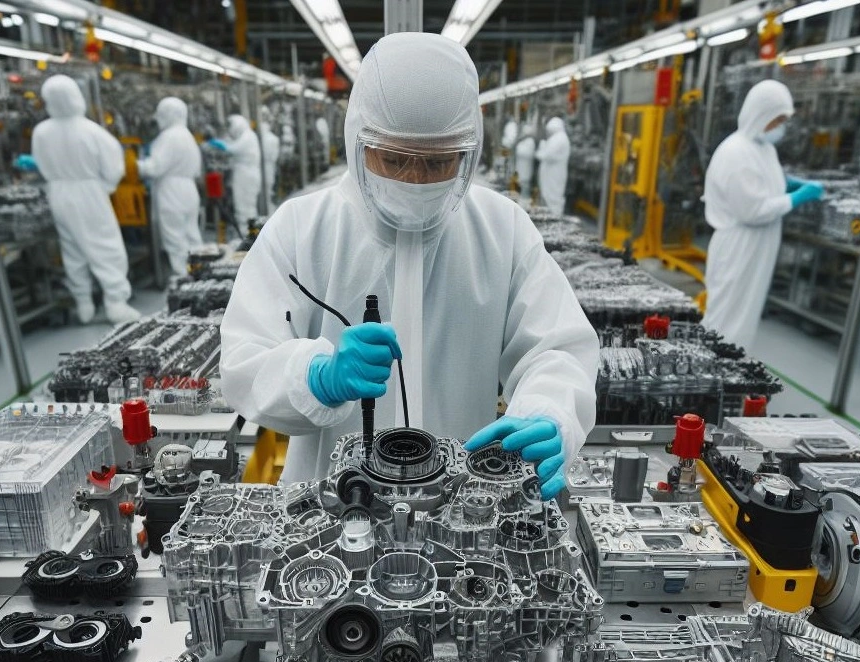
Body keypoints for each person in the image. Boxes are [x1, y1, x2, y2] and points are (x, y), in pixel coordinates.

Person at [219, 33, 598, 499]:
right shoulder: (301, 229)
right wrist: (315, 376)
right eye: (395, 159)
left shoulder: (503, 230)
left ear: (469, 152)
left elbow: (557, 348)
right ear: (358, 139)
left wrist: (548, 411)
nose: (415, 179)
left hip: (464, 507)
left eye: (438, 162)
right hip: (331, 506)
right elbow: (243, 360)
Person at [702, 80, 824, 351]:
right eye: (777, 120)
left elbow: (767, 184)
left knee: (745, 314)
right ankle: (714, 372)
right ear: (761, 115)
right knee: (727, 314)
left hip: (758, 245)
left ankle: (732, 371)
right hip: (739, 246)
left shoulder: (764, 148)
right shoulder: (736, 151)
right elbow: (752, 211)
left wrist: (787, 183)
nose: (780, 127)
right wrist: (797, 197)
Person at [31, 75, 140, 324]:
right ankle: (115, 303)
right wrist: (106, 187)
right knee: (105, 246)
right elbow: (114, 166)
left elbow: (41, 165)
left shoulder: (41, 132)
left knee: (72, 249)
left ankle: (84, 303)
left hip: (57, 193)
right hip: (89, 193)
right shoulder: (90, 130)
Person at [138, 97, 203, 275]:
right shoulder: (186, 134)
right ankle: (201, 275)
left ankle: (186, 282)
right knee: (191, 236)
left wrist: (133, 166)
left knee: (175, 240)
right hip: (188, 189)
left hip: (172, 192)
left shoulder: (169, 137)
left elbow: (155, 167)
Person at [225, 114, 262, 236]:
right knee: (246, 206)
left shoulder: (247, 136)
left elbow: (233, 149)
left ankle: (248, 236)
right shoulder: (247, 135)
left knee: (244, 207)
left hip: (245, 175)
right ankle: (250, 234)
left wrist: (219, 144)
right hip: (247, 174)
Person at [535, 117, 571, 215]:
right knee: (550, 197)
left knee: (554, 197)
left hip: (554, 175)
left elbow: (546, 155)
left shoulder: (560, 138)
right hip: (551, 174)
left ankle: (555, 217)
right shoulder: (557, 138)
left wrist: (540, 150)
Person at [259, 121, 281, 213]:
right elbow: (275, 155)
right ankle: (269, 206)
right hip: (270, 165)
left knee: (266, 187)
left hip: (263, 165)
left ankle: (268, 209)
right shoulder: (274, 138)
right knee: (269, 186)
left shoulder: (260, 139)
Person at [515, 123, 536, 199]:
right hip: (521, 166)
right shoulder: (525, 141)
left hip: (526, 167)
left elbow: (526, 153)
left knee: (525, 184)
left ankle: (525, 198)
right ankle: (522, 198)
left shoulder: (530, 141)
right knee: (521, 183)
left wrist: (519, 150)